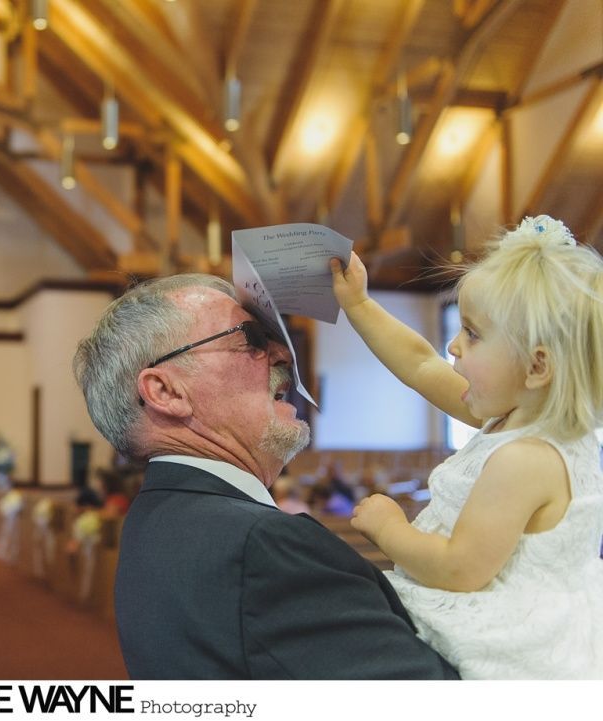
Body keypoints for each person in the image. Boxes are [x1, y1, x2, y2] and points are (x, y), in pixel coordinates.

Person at [73, 273, 458, 679]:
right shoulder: (263, 545)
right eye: (251, 338)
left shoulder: (155, 518)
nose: (282, 354)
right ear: (167, 392)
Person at [330, 214, 603, 679]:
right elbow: (419, 363)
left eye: (472, 334)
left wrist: (389, 528)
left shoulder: (528, 457)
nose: (453, 347)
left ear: (537, 367)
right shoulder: (511, 414)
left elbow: (460, 568)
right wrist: (358, 304)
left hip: (506, 636)